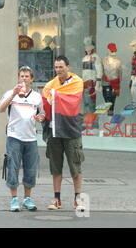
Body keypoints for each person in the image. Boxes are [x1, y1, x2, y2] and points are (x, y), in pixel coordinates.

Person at [0, 66, 45, 212]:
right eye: (22, 76)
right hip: (14, 137)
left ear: (32, 79)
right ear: (19, 78)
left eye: (27, 76)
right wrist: (13, 94)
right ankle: (14, 199)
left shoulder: (37, 96)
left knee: (30, 169)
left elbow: (42, 114)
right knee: (12, 166)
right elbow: (0, 108)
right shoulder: (10, 93)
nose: (24, 79)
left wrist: (40, 118)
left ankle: (27, 199)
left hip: (30, 138)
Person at [42, 56, 85, 212]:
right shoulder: (50, 85)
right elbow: (46, 100)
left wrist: (55, 95)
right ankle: (56, 198)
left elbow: (73, 99)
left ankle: (78, 198)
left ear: (68, 67)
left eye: (61, 67)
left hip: (71, 129)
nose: (58, 70)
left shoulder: (77, 82)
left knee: (75, 166)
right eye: (56, 67)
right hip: (54, 130)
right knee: (55, 167)